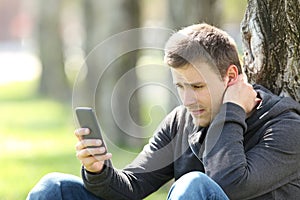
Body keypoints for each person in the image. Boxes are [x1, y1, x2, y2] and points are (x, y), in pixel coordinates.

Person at [27, 23, 300, 200]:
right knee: (53, 188)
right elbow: (133, 185)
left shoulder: (286, 128)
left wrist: (230, 110)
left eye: (197, 85)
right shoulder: (183, 120)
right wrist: (98, 170)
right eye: (180, 86)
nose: (188, 99)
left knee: (193, 184)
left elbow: (229, 185)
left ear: (231, 77)